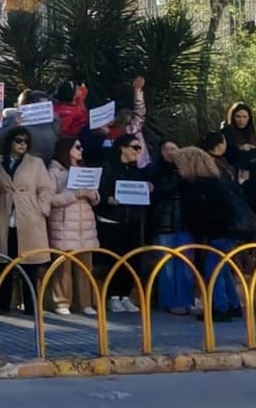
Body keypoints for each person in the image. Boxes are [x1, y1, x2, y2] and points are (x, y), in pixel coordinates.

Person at [0, 127, 53, 316]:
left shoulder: (36, 163)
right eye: (18, 140)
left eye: (25, 141)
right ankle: (3, 305)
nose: (22, 144)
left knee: (30, 265)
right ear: (10, 142)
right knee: (3, 263)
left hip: (29, 216)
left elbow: (46, 188)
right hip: (3, 214)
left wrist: (42, 207)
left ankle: (31, 306)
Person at [173, 147, 242, 323]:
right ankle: (233, 304)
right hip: (229, 229)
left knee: (214, 270)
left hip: (217, 231)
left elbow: (195, 212)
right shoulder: (216, 181)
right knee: (223, 269)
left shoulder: (196, 185)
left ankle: (219, 307)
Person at [92, 133, 149, 314]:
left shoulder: (136, 170)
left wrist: (148, 188)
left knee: (131, 258)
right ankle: (112, 296)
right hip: (111, 221)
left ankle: (125, 295)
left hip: (131, 220)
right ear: (122, 147)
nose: (137, 152)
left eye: (139, 148)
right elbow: (100, 192)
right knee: (113, 259)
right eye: (134, 147)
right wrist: (108, 199)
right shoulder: (108, 167)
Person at [46, 137, 99, 316]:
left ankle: (85, 302)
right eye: (77, 146)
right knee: (63, 267)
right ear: (66, 149)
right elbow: (51, 199)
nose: (81, 149)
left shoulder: (85, 170)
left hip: (85, 226)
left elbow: (95, 197)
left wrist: (93, 196)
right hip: (64, 225)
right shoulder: (53, 172)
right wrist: (75, 194)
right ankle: (61, 301)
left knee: (85, 267)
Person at [147, 139, 195, 315]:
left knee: (185, 262)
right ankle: (169, 302)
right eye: (166, 149)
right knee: (166, 264)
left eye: (174, 148)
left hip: (185, 220)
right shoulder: (154, 171)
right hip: (163, 220)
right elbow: (159, 190)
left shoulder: (189, 170)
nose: (170, 152)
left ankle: (186, 300)